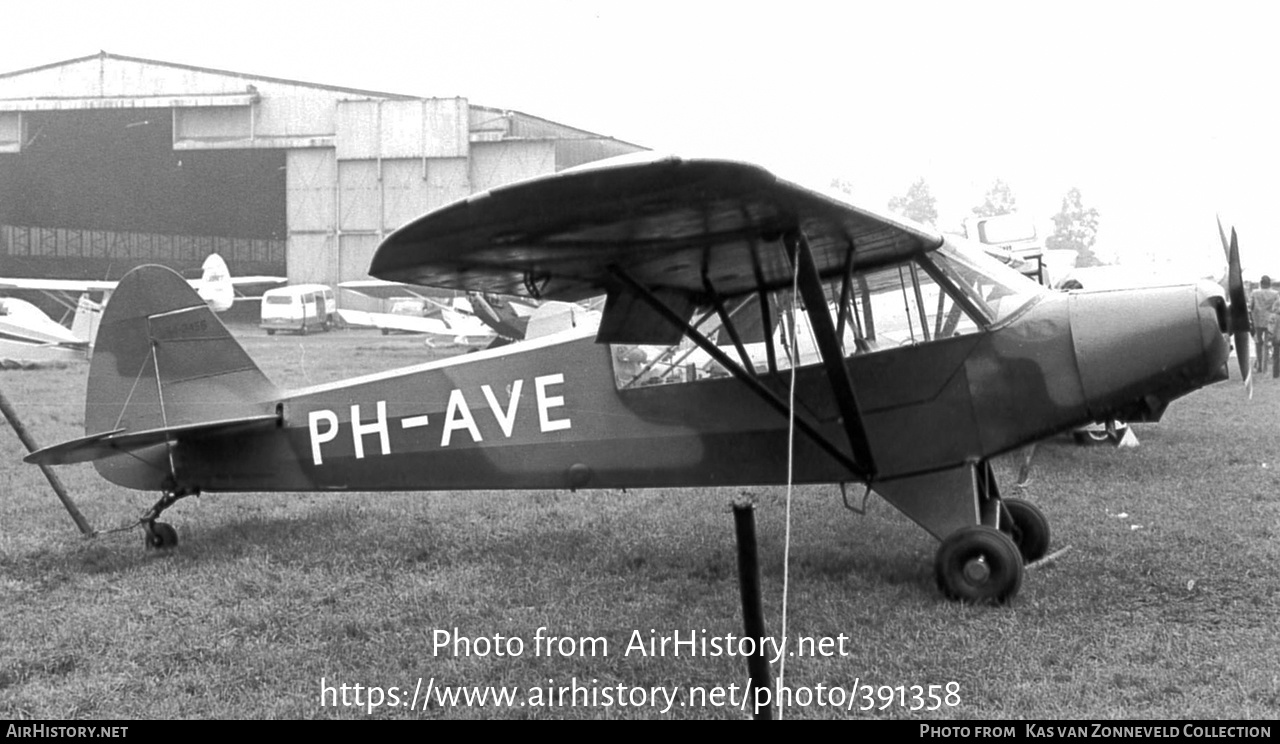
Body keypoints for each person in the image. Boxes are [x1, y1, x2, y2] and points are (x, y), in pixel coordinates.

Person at [1249, 275, 1280, 377]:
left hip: (1257, 321)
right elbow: (1277, 307)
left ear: (1261, 283)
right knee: (1267, 344)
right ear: (1269, 283)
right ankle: (1265, 368)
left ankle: (1259, 366)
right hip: (1270, 321)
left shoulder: (1254, 292)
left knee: (1258, 343)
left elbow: (1250, 305)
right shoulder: (1275, 294)